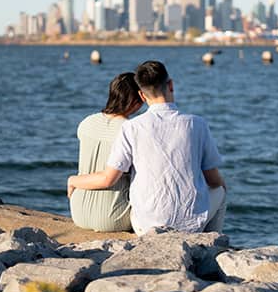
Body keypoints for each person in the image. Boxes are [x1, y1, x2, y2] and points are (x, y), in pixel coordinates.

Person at [67, 60, 226, 235]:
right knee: (220, 191)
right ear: (170, 85)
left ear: (142, 96)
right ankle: (211, 244)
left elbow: (109, 178)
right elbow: (214, 181)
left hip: (145, 226)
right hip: (190, 227)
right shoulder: (197, 124)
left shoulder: (131, 127)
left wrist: (74, 180)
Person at [69, 72, 143, 232]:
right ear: (136, 101)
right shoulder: (131, 130)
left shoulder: (86, 123)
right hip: (113, 218)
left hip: (78, 213)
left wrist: (73, 180)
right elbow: (109, 179)